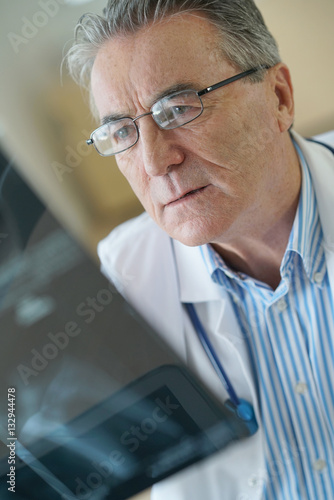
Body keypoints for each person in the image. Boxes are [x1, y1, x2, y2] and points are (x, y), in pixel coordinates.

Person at [66, 1, 334, 498]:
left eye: (179, 107)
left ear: (278, 97)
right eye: (123, 132)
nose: (155, 161)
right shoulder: (121, 278)